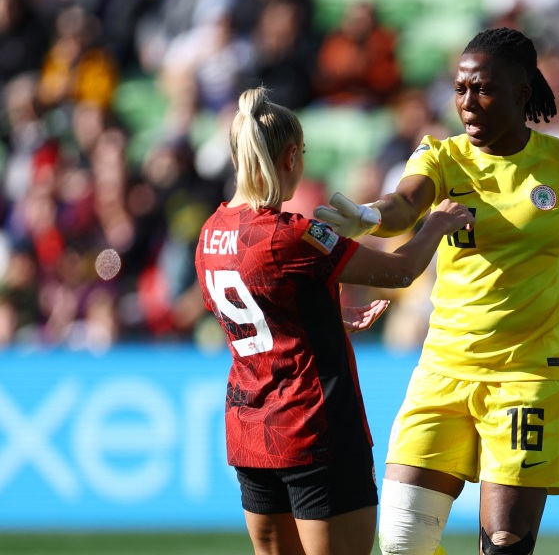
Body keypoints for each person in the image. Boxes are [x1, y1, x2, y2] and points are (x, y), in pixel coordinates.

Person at [314, 27, 559, 555]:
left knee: (503, 546)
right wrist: (369, 216)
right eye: (460, 88)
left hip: (529, 376)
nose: (467, 103)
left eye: (484, 89)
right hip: (443, 368)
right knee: (401, 543)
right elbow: (403, 204)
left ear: (522, 93)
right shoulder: (442, 158)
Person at [194, 86, 475, 555]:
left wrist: (325, 316)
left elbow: (250, 318)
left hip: (250, 432)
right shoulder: (292, 234)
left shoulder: (210, 233)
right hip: (314, 428)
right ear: (289, 157)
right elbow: (400, 271)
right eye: (301, 153)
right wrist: (436, 224)